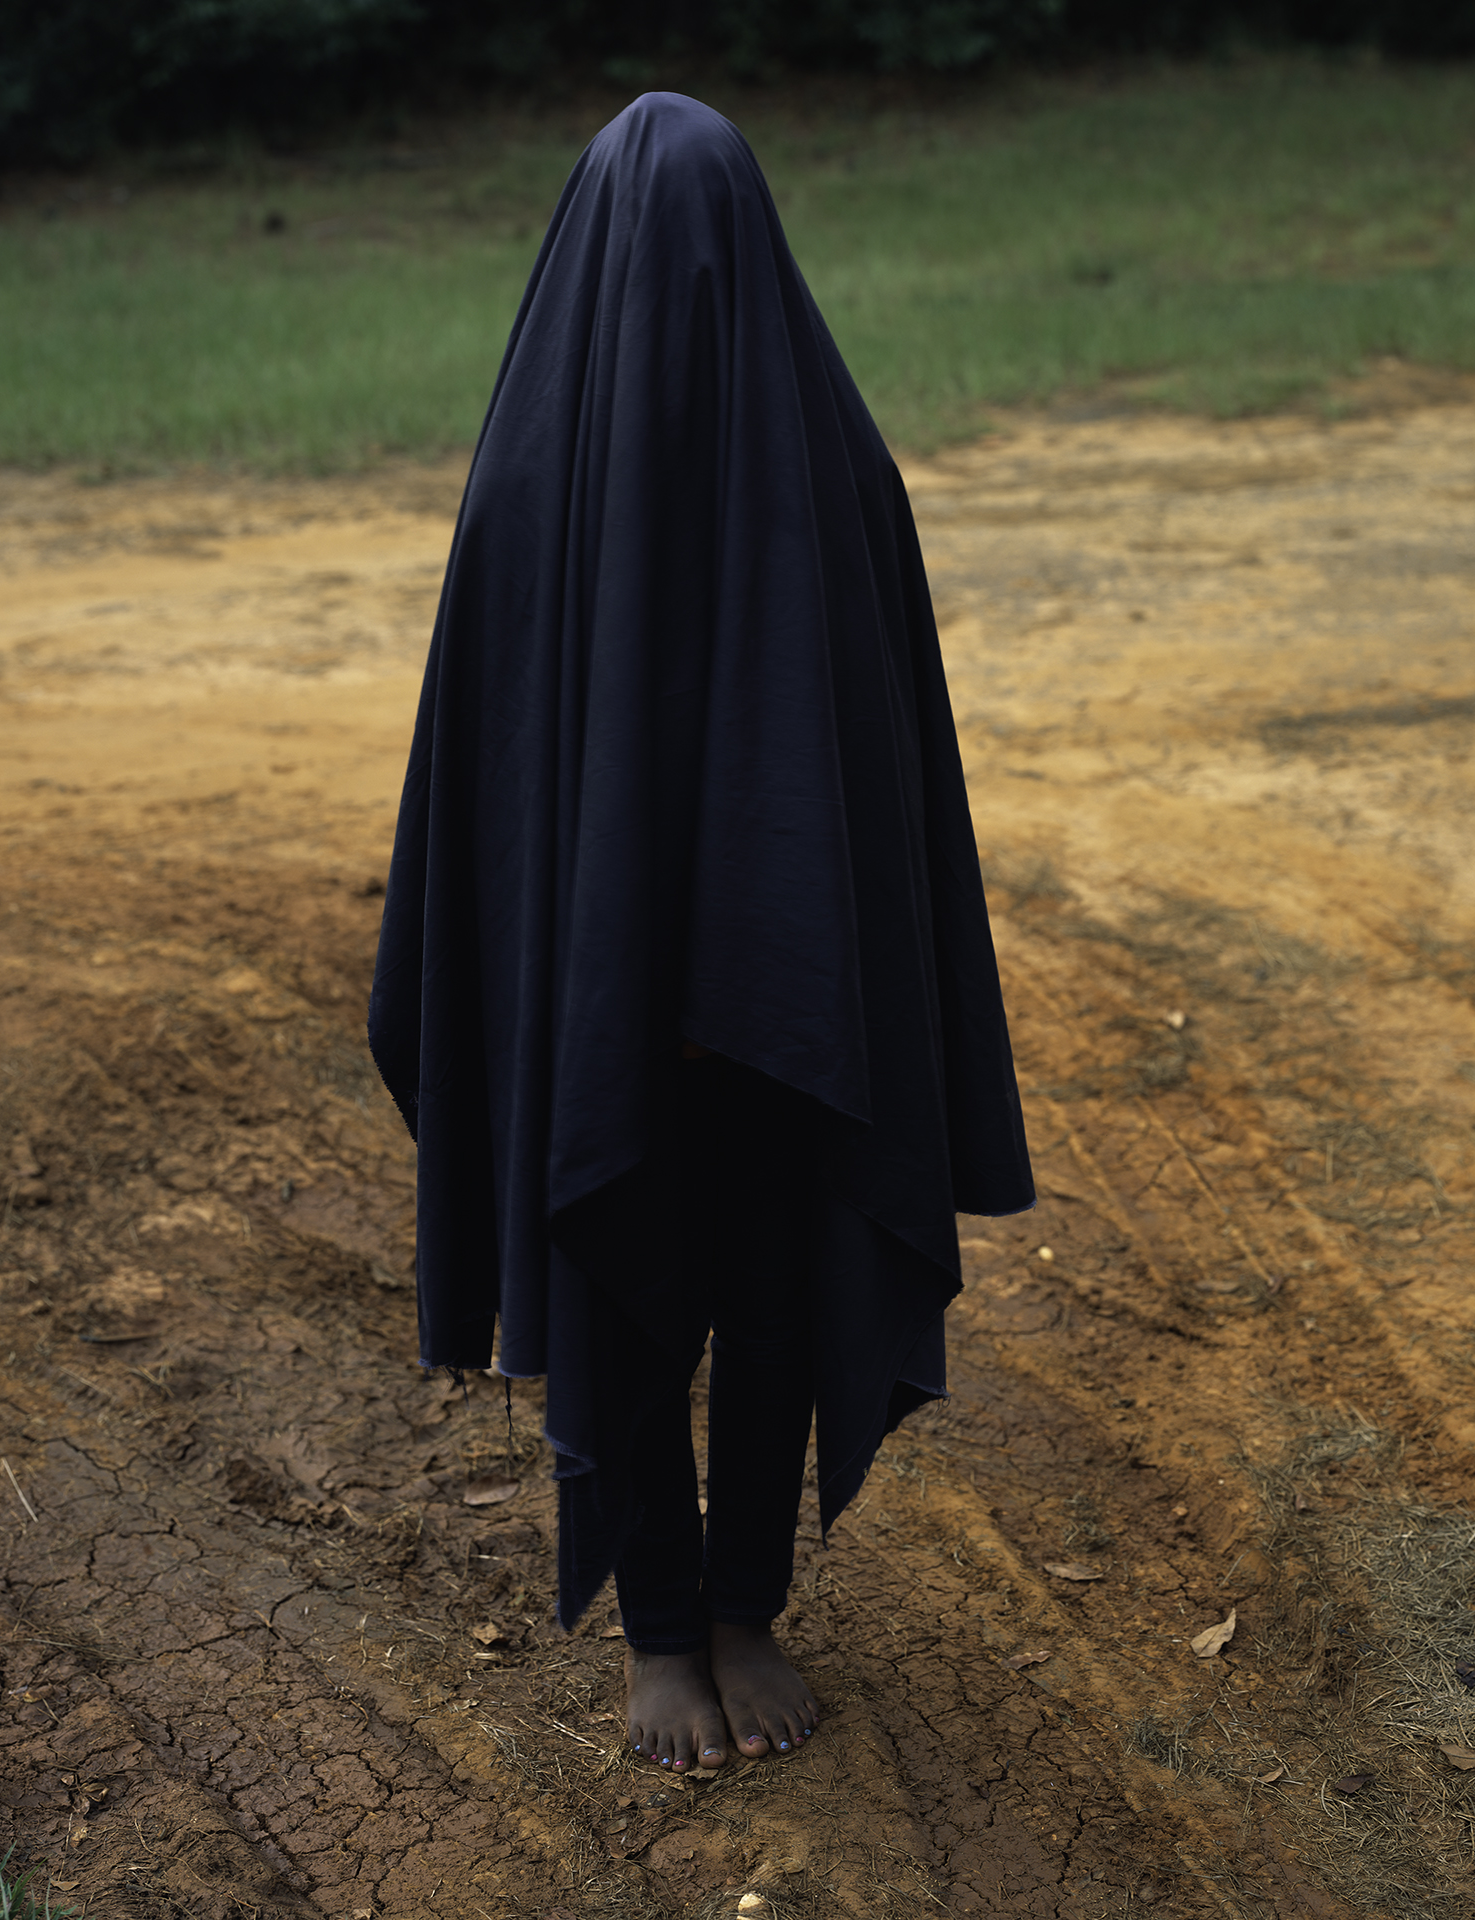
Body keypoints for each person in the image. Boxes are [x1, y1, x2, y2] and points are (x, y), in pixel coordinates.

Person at [368, 92, 1034, 1776]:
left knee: (777, 1284)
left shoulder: (832, 473)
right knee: (631, 1273)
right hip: (620, 1017)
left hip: (782, 1010)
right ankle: (664, 1629)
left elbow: (884, 773)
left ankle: (743, 1601)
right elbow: (492, 778)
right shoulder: (532, 492)